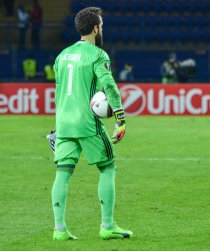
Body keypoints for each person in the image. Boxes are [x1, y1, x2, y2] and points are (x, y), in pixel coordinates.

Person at [48, 7, 132, 241]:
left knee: (63, 173)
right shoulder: (97, 54)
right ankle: (107, 226)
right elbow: (110, 86)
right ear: (95, 28)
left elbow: (58, 93)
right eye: (101, 25)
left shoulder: (62, 55)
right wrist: (120, 118)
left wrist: (58, 126)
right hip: (87, 123)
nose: (102, 28)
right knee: (108, 167)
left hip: (64, 124)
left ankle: (59, 230)